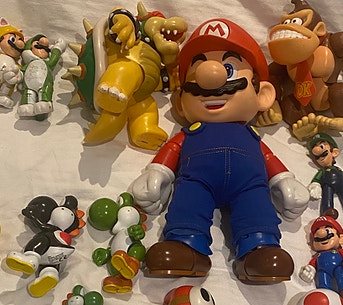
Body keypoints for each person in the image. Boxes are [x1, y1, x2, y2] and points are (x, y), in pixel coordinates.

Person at [130, 18, 309, 283]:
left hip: (249, 184)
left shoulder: (252, 136)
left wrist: (284, 180)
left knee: (256, 207)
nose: (211, 79)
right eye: (197, 73)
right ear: (180, 103)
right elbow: (172, 149)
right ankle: (186, 245)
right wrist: (156, 172)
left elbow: (268, 158)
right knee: (188, 202)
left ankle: (259, 248)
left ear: (263, 95)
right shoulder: (188, 133)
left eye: (229, 69)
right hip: (197, 181)